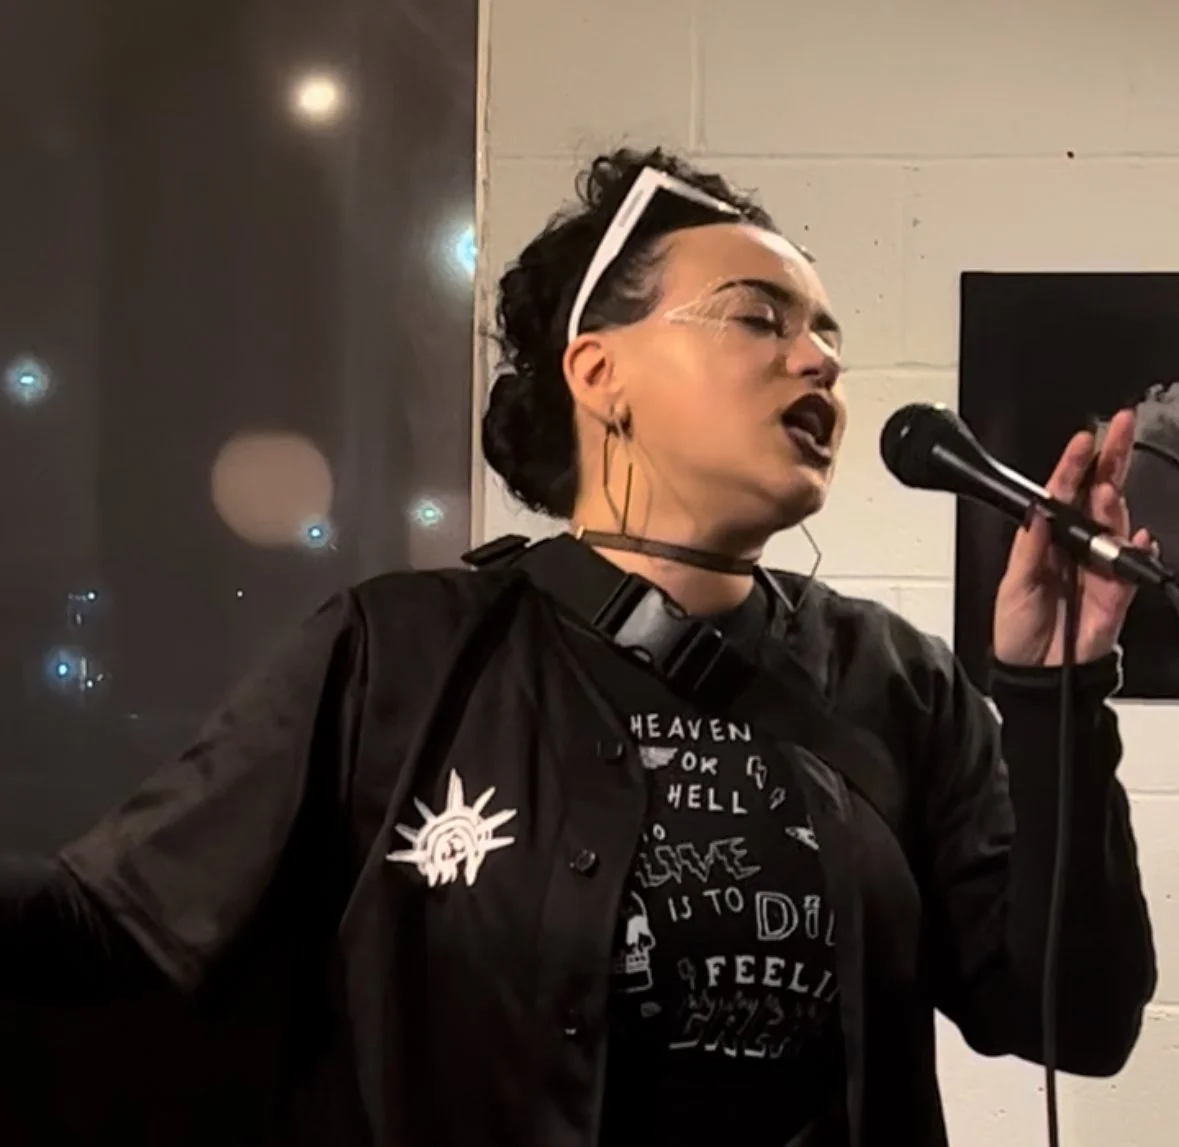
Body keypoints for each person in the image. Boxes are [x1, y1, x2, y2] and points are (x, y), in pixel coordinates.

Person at [0, 147, 1157, 1147]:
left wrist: (1053, 690)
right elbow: (107, 931)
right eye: (760, 317)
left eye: (827, 336)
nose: (819, 361)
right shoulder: (397, 653)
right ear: (600, 373)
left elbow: (1080, 1021)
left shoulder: (897, 681)